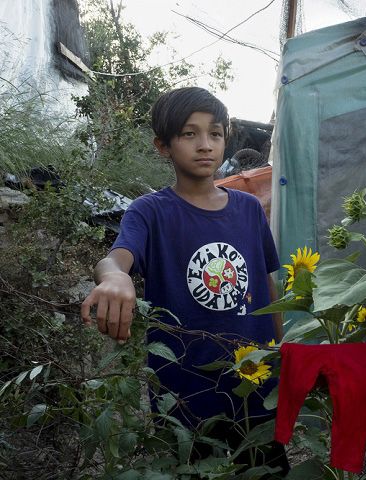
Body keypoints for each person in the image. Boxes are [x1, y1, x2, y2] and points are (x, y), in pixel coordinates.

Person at [81, 87, 289, 476]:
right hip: (185, 394)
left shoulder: (247, 209)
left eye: (214, 133)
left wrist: (282, 355)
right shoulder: (150, 212)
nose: (205, 145)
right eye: (189, 134)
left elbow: (266, 285)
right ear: (164, 146)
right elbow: (116, 258)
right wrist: (114, 279)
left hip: (257, 383)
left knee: (267, 469)